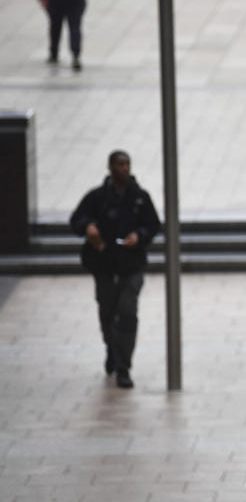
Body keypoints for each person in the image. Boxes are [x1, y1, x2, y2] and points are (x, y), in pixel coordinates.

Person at [70, 151, 160, 388]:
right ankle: (112, 348)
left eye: (127, 164)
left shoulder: (139, 198)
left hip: (131, 266)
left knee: (127, 311)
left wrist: (139, 236)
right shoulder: (97, 197)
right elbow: (77, 219)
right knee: (108, 312)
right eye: (120, 164)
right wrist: (88, 228)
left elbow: (153, 225)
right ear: (111, 167)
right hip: (105, 266)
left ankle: (124, 366)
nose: (125, 169)